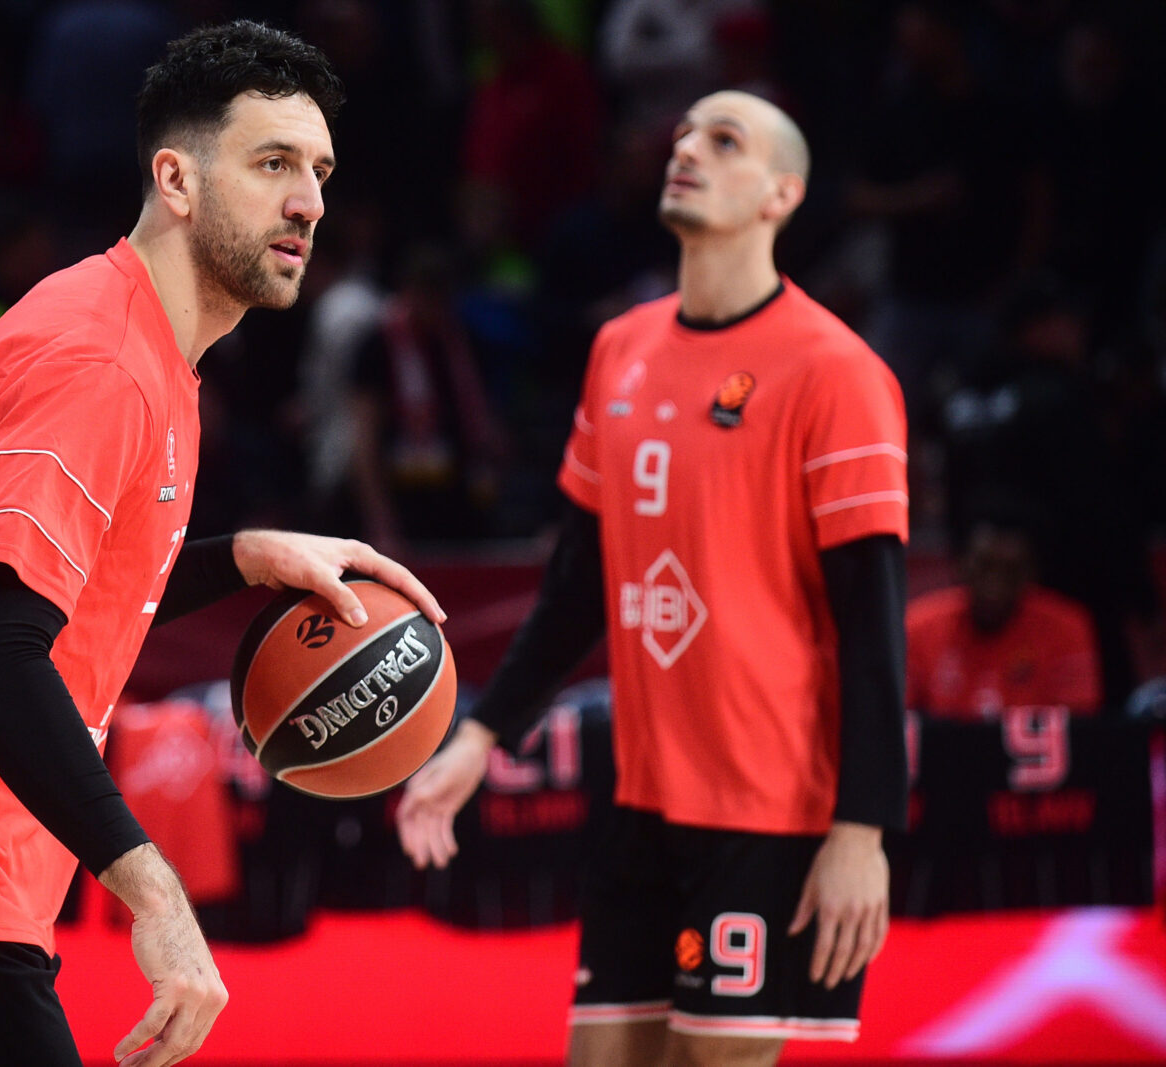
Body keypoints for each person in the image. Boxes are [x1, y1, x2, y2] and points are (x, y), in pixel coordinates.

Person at [0, 22, 444, 1067]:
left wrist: (246, 553)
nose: (309, 201)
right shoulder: (98, 362)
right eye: (271, 164)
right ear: (176, 177)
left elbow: (68, 594)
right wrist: (154, 894)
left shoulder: (148, 348)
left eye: (319, 170)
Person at [397, 90, 910, 1067]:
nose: (686, 150)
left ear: (781, 193)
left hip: (766, 812)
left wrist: (863, 830)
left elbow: (871, 627)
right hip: (643, 803)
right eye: (681, 136)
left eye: (724, 142)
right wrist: (477, 736)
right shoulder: (618, 349)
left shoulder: (834, 369)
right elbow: (577, 585)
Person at [907, 508, 1102, 719]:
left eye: (1010, 571)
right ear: (960, 565)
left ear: (1031, 573)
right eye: (984, 567)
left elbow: (1079, 729)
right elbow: (897, 722)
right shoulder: (918, 625)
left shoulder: (1067, 628)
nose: (994, 585)